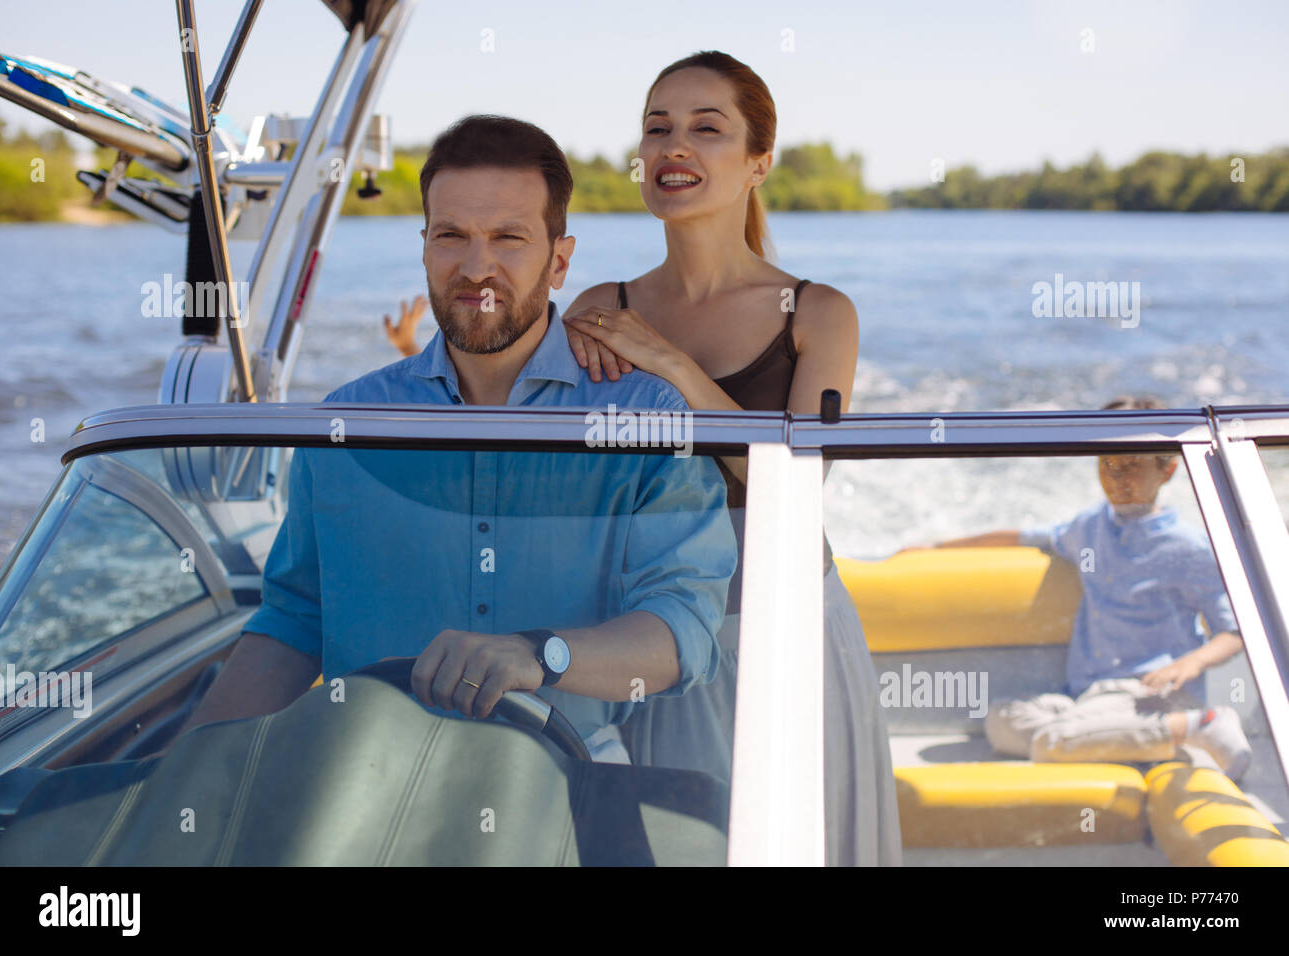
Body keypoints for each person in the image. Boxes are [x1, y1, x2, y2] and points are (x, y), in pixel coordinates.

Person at [174, 115, 737, 763]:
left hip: (570, 782)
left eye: (508, 237)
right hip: (361, 780)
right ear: (424, 249)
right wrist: (180, 773)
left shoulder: (643, 415)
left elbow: (684, 629)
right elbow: (295, 620)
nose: (476, 268)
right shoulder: (347, 422)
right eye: (451, 237)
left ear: (559, 261)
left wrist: (540, 654)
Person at [557, 51, 900, 866]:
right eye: (657, 129)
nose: (674, 147)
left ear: (758, 162)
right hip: (655, 632)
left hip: (784, 625)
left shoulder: (819, 314)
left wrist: (673, 367)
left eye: (706, 129)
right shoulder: (599, 310)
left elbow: (793, 488)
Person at [924, 396, 1252, 781]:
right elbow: (1026, 537)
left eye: (1131, 465)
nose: (1117, 476)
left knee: (1051, 742)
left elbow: (1233, 630)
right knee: (1001, 720)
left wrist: (1190, 663)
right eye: (1107, 463)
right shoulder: (1089, 526)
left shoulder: (1189, 547)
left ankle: (1200, 724)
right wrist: (935, 547)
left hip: (1153, 696)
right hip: (1089, 695)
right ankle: (1123, 743)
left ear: (1167, 470)